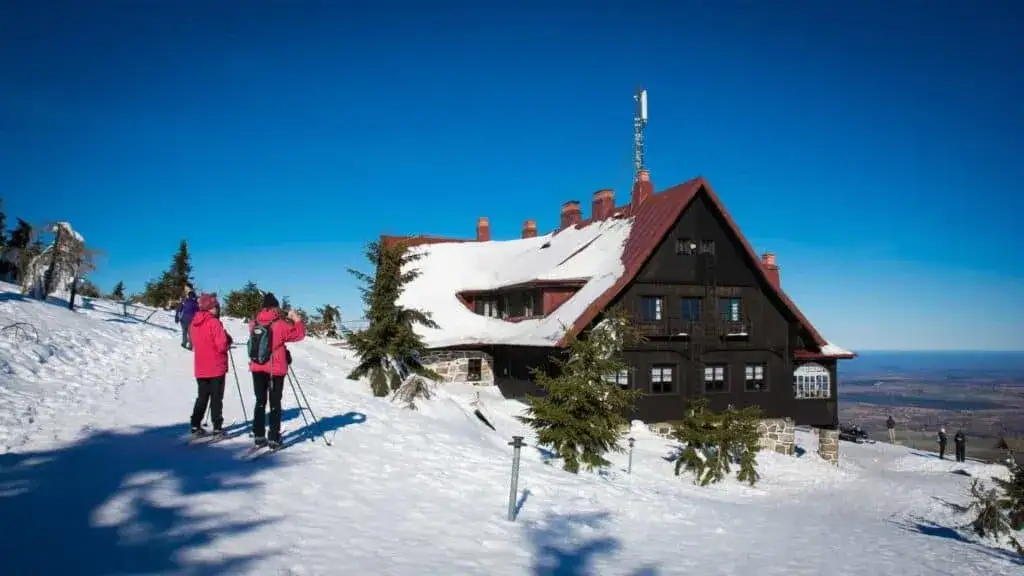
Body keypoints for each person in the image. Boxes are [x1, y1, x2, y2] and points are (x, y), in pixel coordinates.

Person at [248, 292, 305, 449]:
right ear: (275, 307)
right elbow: (298, 335)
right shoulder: (279, 324)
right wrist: (297, 320)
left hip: (256, 366)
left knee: (260, 401)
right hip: (275, 369)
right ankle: (273, 437)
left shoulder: (254, 323)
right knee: (275, 403)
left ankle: (259, 435)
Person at [188, 293, 233, 436]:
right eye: (215, 306)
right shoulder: (214, 323)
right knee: (216, 398)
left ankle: (195, 425)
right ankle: (217, 427)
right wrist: (227, 341)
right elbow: (221, 345)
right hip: (216, 366)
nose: (217, 309)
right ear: (210, 308)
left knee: (202, 397)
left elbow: (195, 343)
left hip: (201, 366)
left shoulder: (194, 323)